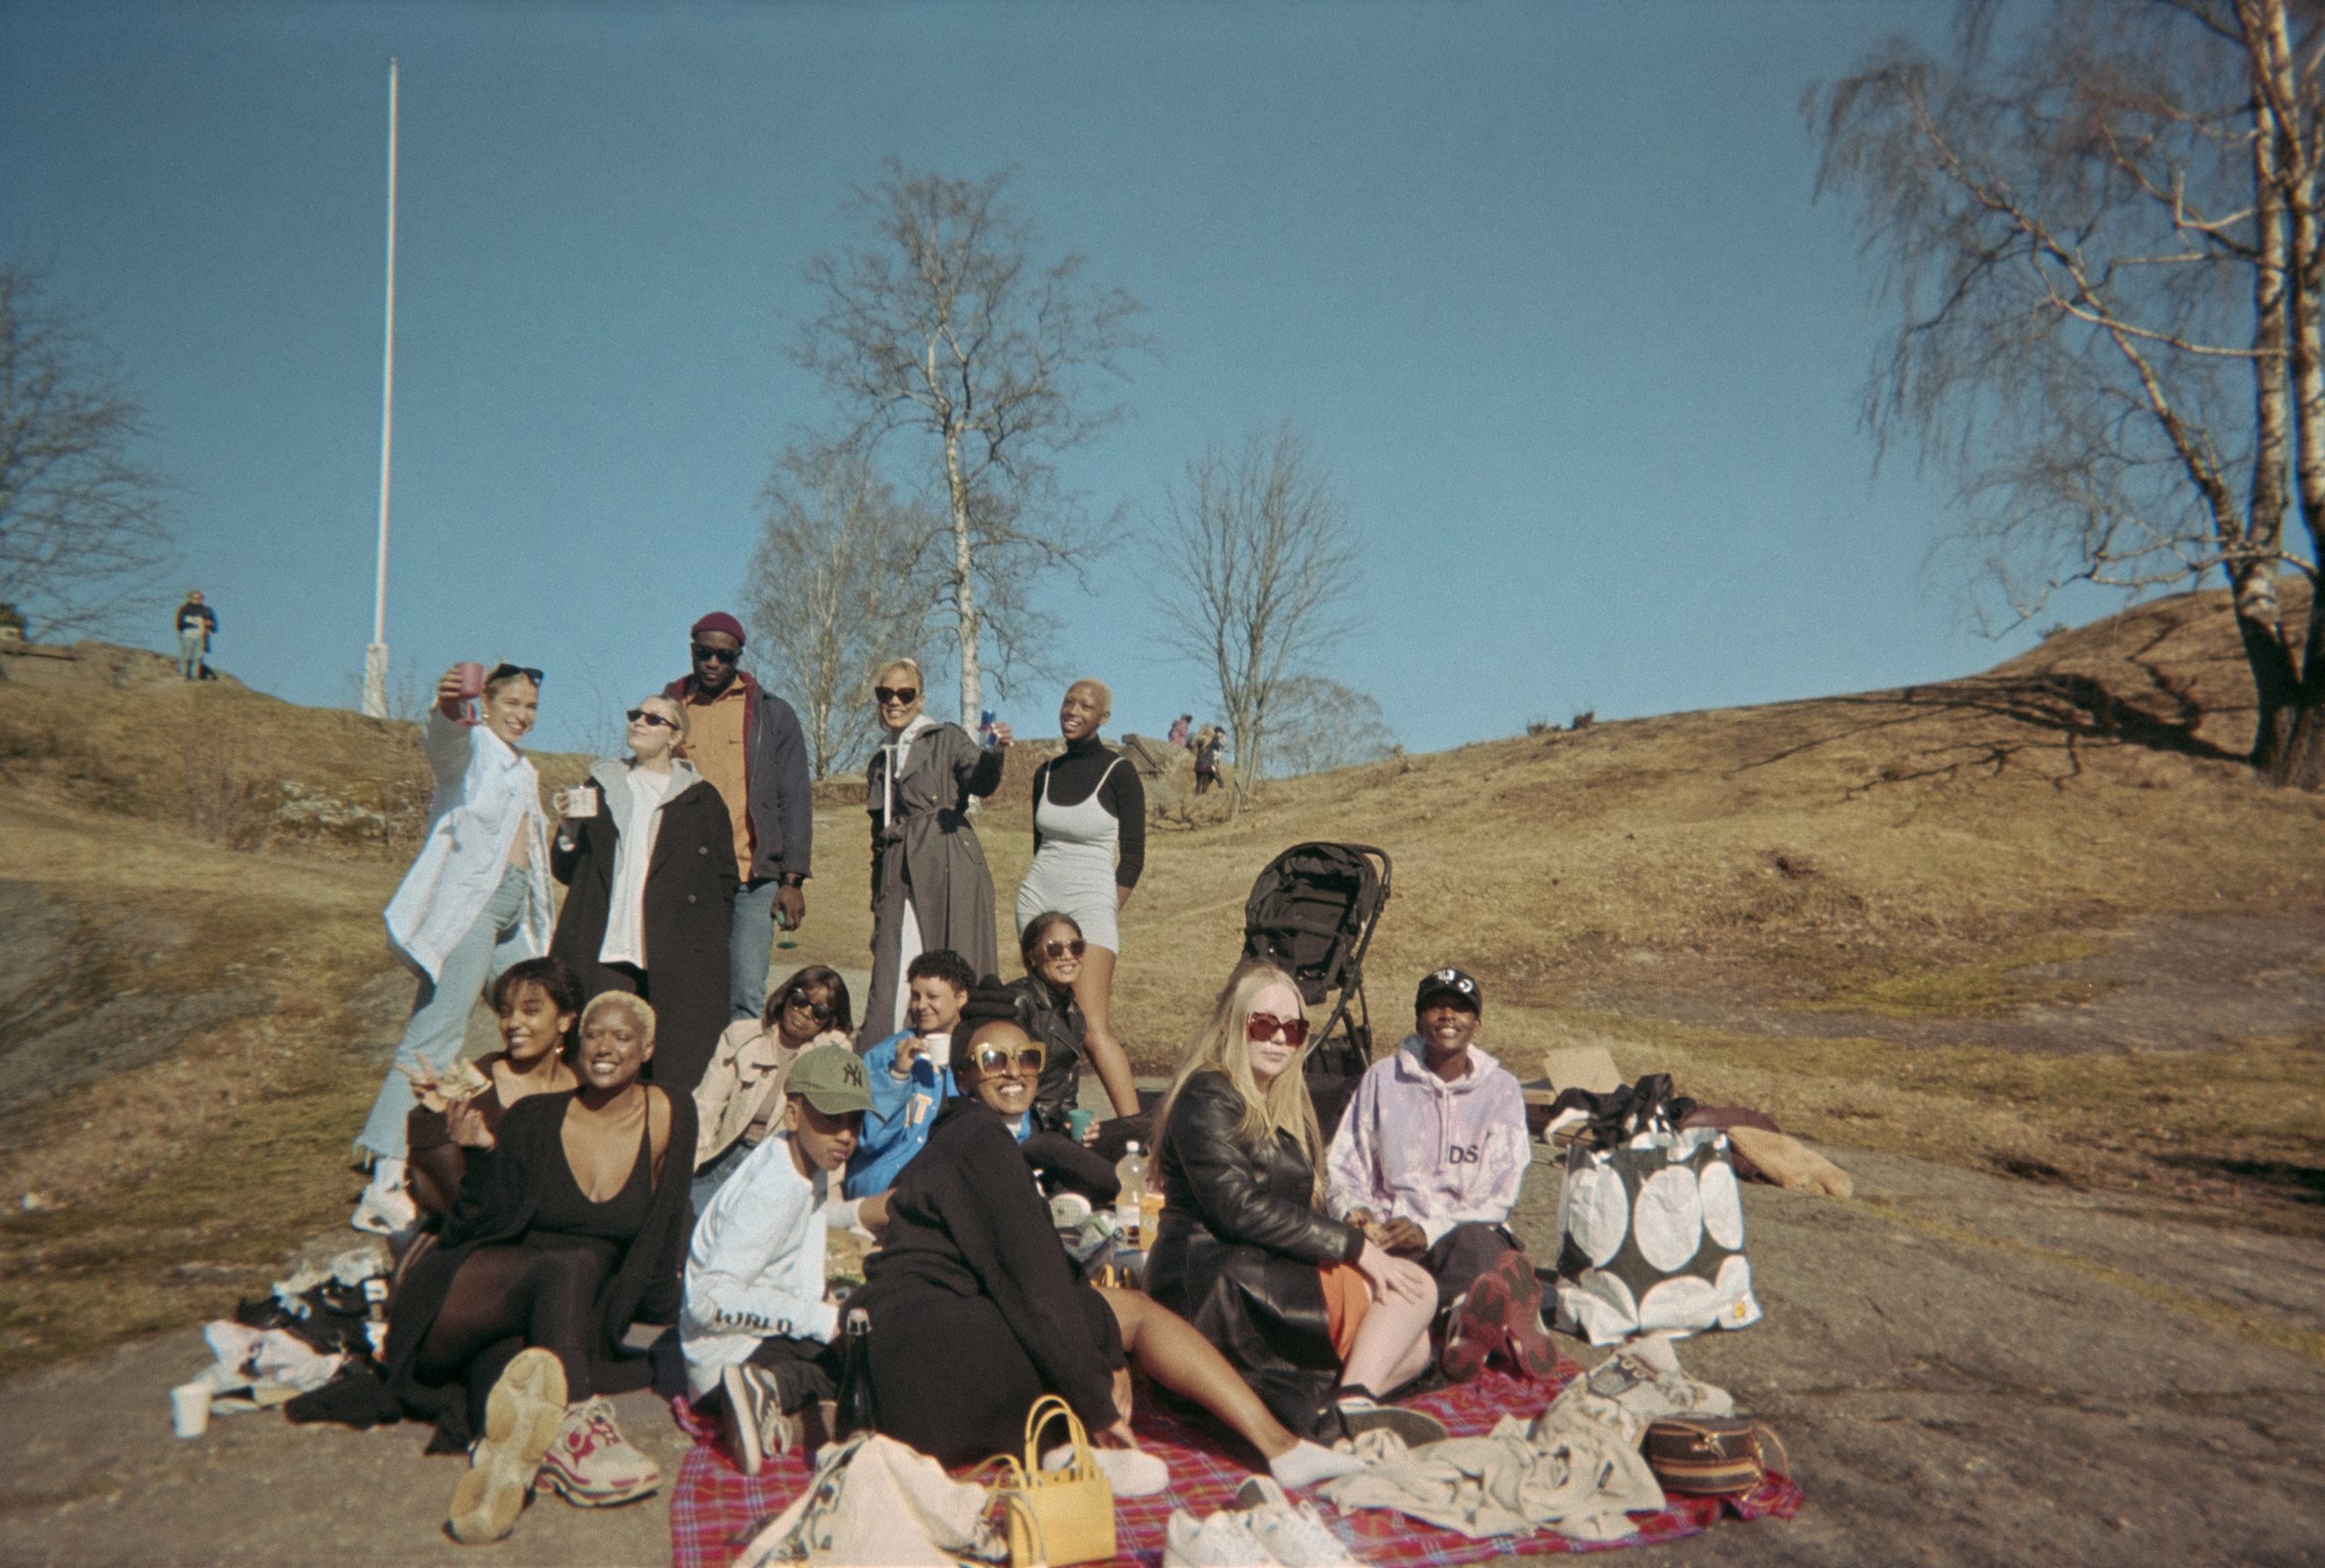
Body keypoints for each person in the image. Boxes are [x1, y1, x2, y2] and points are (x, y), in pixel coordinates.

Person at [844, 993, 1363, 1492]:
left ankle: (1062, 1448)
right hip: (935, 1355)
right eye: (992, 1059)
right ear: (963, 1076)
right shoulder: (982, 1143)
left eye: (1027, 1058)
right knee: (1133, 1313)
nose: (1013, 1070)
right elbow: (1035, 1280)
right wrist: (1097, 1396)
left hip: (891, 1370)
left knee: (1102, 1313)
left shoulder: (956, 1140)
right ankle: (1280, 1446)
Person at [381, 991, 697, 1542]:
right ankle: (577, 1422)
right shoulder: (534, 1117)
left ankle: (507, 1467)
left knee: (515, 1375)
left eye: (622, 1037)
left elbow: (665, 1226)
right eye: (594, 1034)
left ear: (647, 1049)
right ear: (577, 1042)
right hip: (467, 1298)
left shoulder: (670, 1112)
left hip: (545, 1325)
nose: (604, 1047)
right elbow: (473, 1224)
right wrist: (476, 1151)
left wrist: (675, 1309)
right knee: (569, 1265)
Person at [1145, 963, 1446, 1445]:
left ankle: (1345, 1406)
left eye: (1293, 1028)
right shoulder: (1209, 1092)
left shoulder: (1275, 1098)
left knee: (1414, 1347)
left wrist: (1352, 1234)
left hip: (1256, 1264)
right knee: (1413, 1294)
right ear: (1233, 1025)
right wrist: (1354, 1248)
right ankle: (1350, 1404)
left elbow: (1284, 1207)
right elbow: (1236, 1207)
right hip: (1214, 1282)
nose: (1279, 1039)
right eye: (1263, 1025)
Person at [353, 663, 556, 1237]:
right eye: (512, 702)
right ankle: (384, 1181)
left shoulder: (524, 768)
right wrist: (448, 711)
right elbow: (443, 747)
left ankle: (512, 1149)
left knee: (541, 1016)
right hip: (473, 907)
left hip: (513, 909)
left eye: (532, 707)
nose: (522, 714)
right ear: (486, 703)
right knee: (437, 1033)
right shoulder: (472, 748)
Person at [1324, 967, 1555, 1381]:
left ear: (1476, 1024)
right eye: (1436, 1006)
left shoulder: (1500, 1090)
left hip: (1461, 1231)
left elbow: (1499, 1193)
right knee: (1366, 1275)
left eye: (1461, 1009)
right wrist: (1354, 1210)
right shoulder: (1382, 1078)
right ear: (1418, 1019)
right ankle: (1503, 1322)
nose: (1447, 1016)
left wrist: (1428, 1229)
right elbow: (1345, 1161)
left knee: (1477, 1249)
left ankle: (1467, 1321)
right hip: (1393, 1235)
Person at [682, 1043, 874, 1474]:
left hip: (755, 1341)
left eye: (854, 1122)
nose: (845, 1135)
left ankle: (776, 1423)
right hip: (727, 1362)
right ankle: (767, 1390)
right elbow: (708, 1300)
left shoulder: (804, 1164)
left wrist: (863, 1212)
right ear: (792, 1114)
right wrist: (822, 1321)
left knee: (863, 1336)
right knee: (866, 1364)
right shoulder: (775, 1188)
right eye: (830, 1118)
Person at [549, 694, 737, 1093]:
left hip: (674, 955)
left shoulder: (702, 799)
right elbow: (566, 871)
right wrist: (567, 829)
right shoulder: (600, 784)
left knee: (667, 1065)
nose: (639, 722)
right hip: (604, 945)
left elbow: (724, 883)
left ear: (676, 737)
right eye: (636, 714)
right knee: (591, 1057)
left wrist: (705, 944)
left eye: (653, 719)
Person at [661, 612, 813, 1022]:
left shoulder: (772, 714)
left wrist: (792, 880)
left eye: (724, 657)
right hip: (688, 878)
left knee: (745, 995)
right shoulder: (668, 710)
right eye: (704, 654)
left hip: (753, 879)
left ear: (739, 658)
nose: (713, 664)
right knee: (685, 989)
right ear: (692, 651)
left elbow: (794, 799)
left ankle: (741, 1085)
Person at [1013, 680, 1144, 1117]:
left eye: (1086, 706)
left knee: (1090, 1026)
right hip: (1038, 899)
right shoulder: (1045, 772)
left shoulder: (1120, 771)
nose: (1073, 710)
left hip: (1092, 900)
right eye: (1068, 701)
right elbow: (1039, 846)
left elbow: (1133, 858)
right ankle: (1034, 1120)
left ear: (1103, 717)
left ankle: (1139, 1132)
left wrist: (1106, 908)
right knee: (1037, 1017)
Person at [861, 657, 1011, 1040]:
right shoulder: (881, 759)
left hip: (947, 856)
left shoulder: (945, 738)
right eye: (886, 694)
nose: (895, 701)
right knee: (892, 970)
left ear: (921, 699)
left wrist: (993, 752)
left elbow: (979, 779)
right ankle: (884, 1066)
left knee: (956, 963)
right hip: (898, 866)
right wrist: (876, 901)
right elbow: (878, 837)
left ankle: (963, 1060)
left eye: (905, 694)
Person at [406, 957, 583, 1221]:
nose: (513, 1023)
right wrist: (438, 1116)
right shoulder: (475, 1086)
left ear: (565, 1020)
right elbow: (448, 1195)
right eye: (505, 1012)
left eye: (530, 1011)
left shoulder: (587, 1087)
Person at [692, 965, 854, 1212]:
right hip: (725, 1158)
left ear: (829, 1021)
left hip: (780, 1166)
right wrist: (689, 1166)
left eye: (819, 1012)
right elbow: (706, 1108)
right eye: (799, 1000)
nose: (805, 1013)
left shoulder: (831, 1055)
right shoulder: (741, 1037)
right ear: (786, 996)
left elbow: (833, 1128)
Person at [845, 949, 975, 1198]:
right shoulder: (885, 1055)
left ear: (961, 998)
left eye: (932, 996)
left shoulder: (976, 1055)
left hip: (946, 1186)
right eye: (915, 996)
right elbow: (869, 1140)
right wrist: (898, 1074)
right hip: (884, 1184)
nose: (921, 1005)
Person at [1009, 911, 1137, 1129]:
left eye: (1076, 947)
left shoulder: (1074, 1015)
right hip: (1021, 1126)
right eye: (1055, 949)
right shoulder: (1020, 1002)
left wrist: (1073, 1125)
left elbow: (1067, 1099)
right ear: (1032, 955)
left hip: (1054, 1128)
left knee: (1131, 1135)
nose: (1067, 956)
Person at [173, 591, 217, 679]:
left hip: (201, 636)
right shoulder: (185, 609)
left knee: (198, 657)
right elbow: (179, 623)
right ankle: (184, 674)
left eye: (201, 598)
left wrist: (210, 624)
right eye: (196, 598)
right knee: (186, 656)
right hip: (188, 635)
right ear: (191, 599)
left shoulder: (207, 610)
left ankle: (196, 676)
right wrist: (191, 622)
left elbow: (214, 624)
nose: (199, 600)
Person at [1192, 725, 1223, 796]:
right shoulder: (1212, 741)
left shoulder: (1199, 740)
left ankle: (1196, 796)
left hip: (1199, 764)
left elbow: (1195, 750)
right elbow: (1218, 746)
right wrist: (1219, 738)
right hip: (1208, 764)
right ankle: (1203, 795)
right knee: (1205, 782)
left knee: (1198, 782)